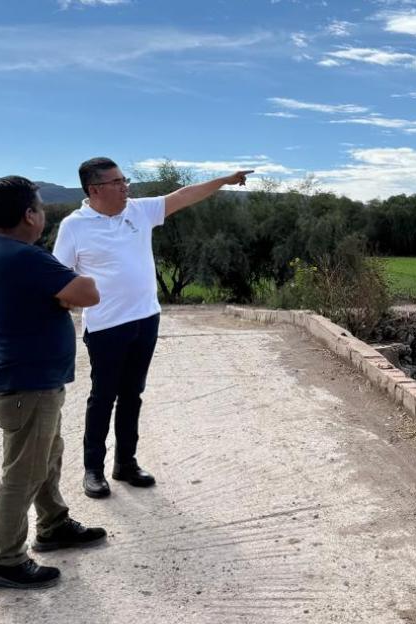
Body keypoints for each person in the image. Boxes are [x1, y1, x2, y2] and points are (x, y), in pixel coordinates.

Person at [53, 157, 252, 499]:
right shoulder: (74, 226)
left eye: (125, 180)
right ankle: (93, 470)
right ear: (95, 189)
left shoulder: (140, 211)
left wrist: (224, 180)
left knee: (132, 395)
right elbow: (60, 276)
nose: (125, 187)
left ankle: (125, 464)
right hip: (105, 327)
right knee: (103, 397)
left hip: (146, 319)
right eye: (117, 182)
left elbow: (185, 195)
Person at [0, 176, 107, 590]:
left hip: (28, 380)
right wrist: (65, 293)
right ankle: (5, 562)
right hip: (27, 384)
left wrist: (60, 294)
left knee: (46, 457)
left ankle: (53, 524)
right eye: (41, 208)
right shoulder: (24, 256)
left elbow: (66, 294)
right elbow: (88, 292)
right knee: (24, 473)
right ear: (30, 215)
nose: (44, 214)